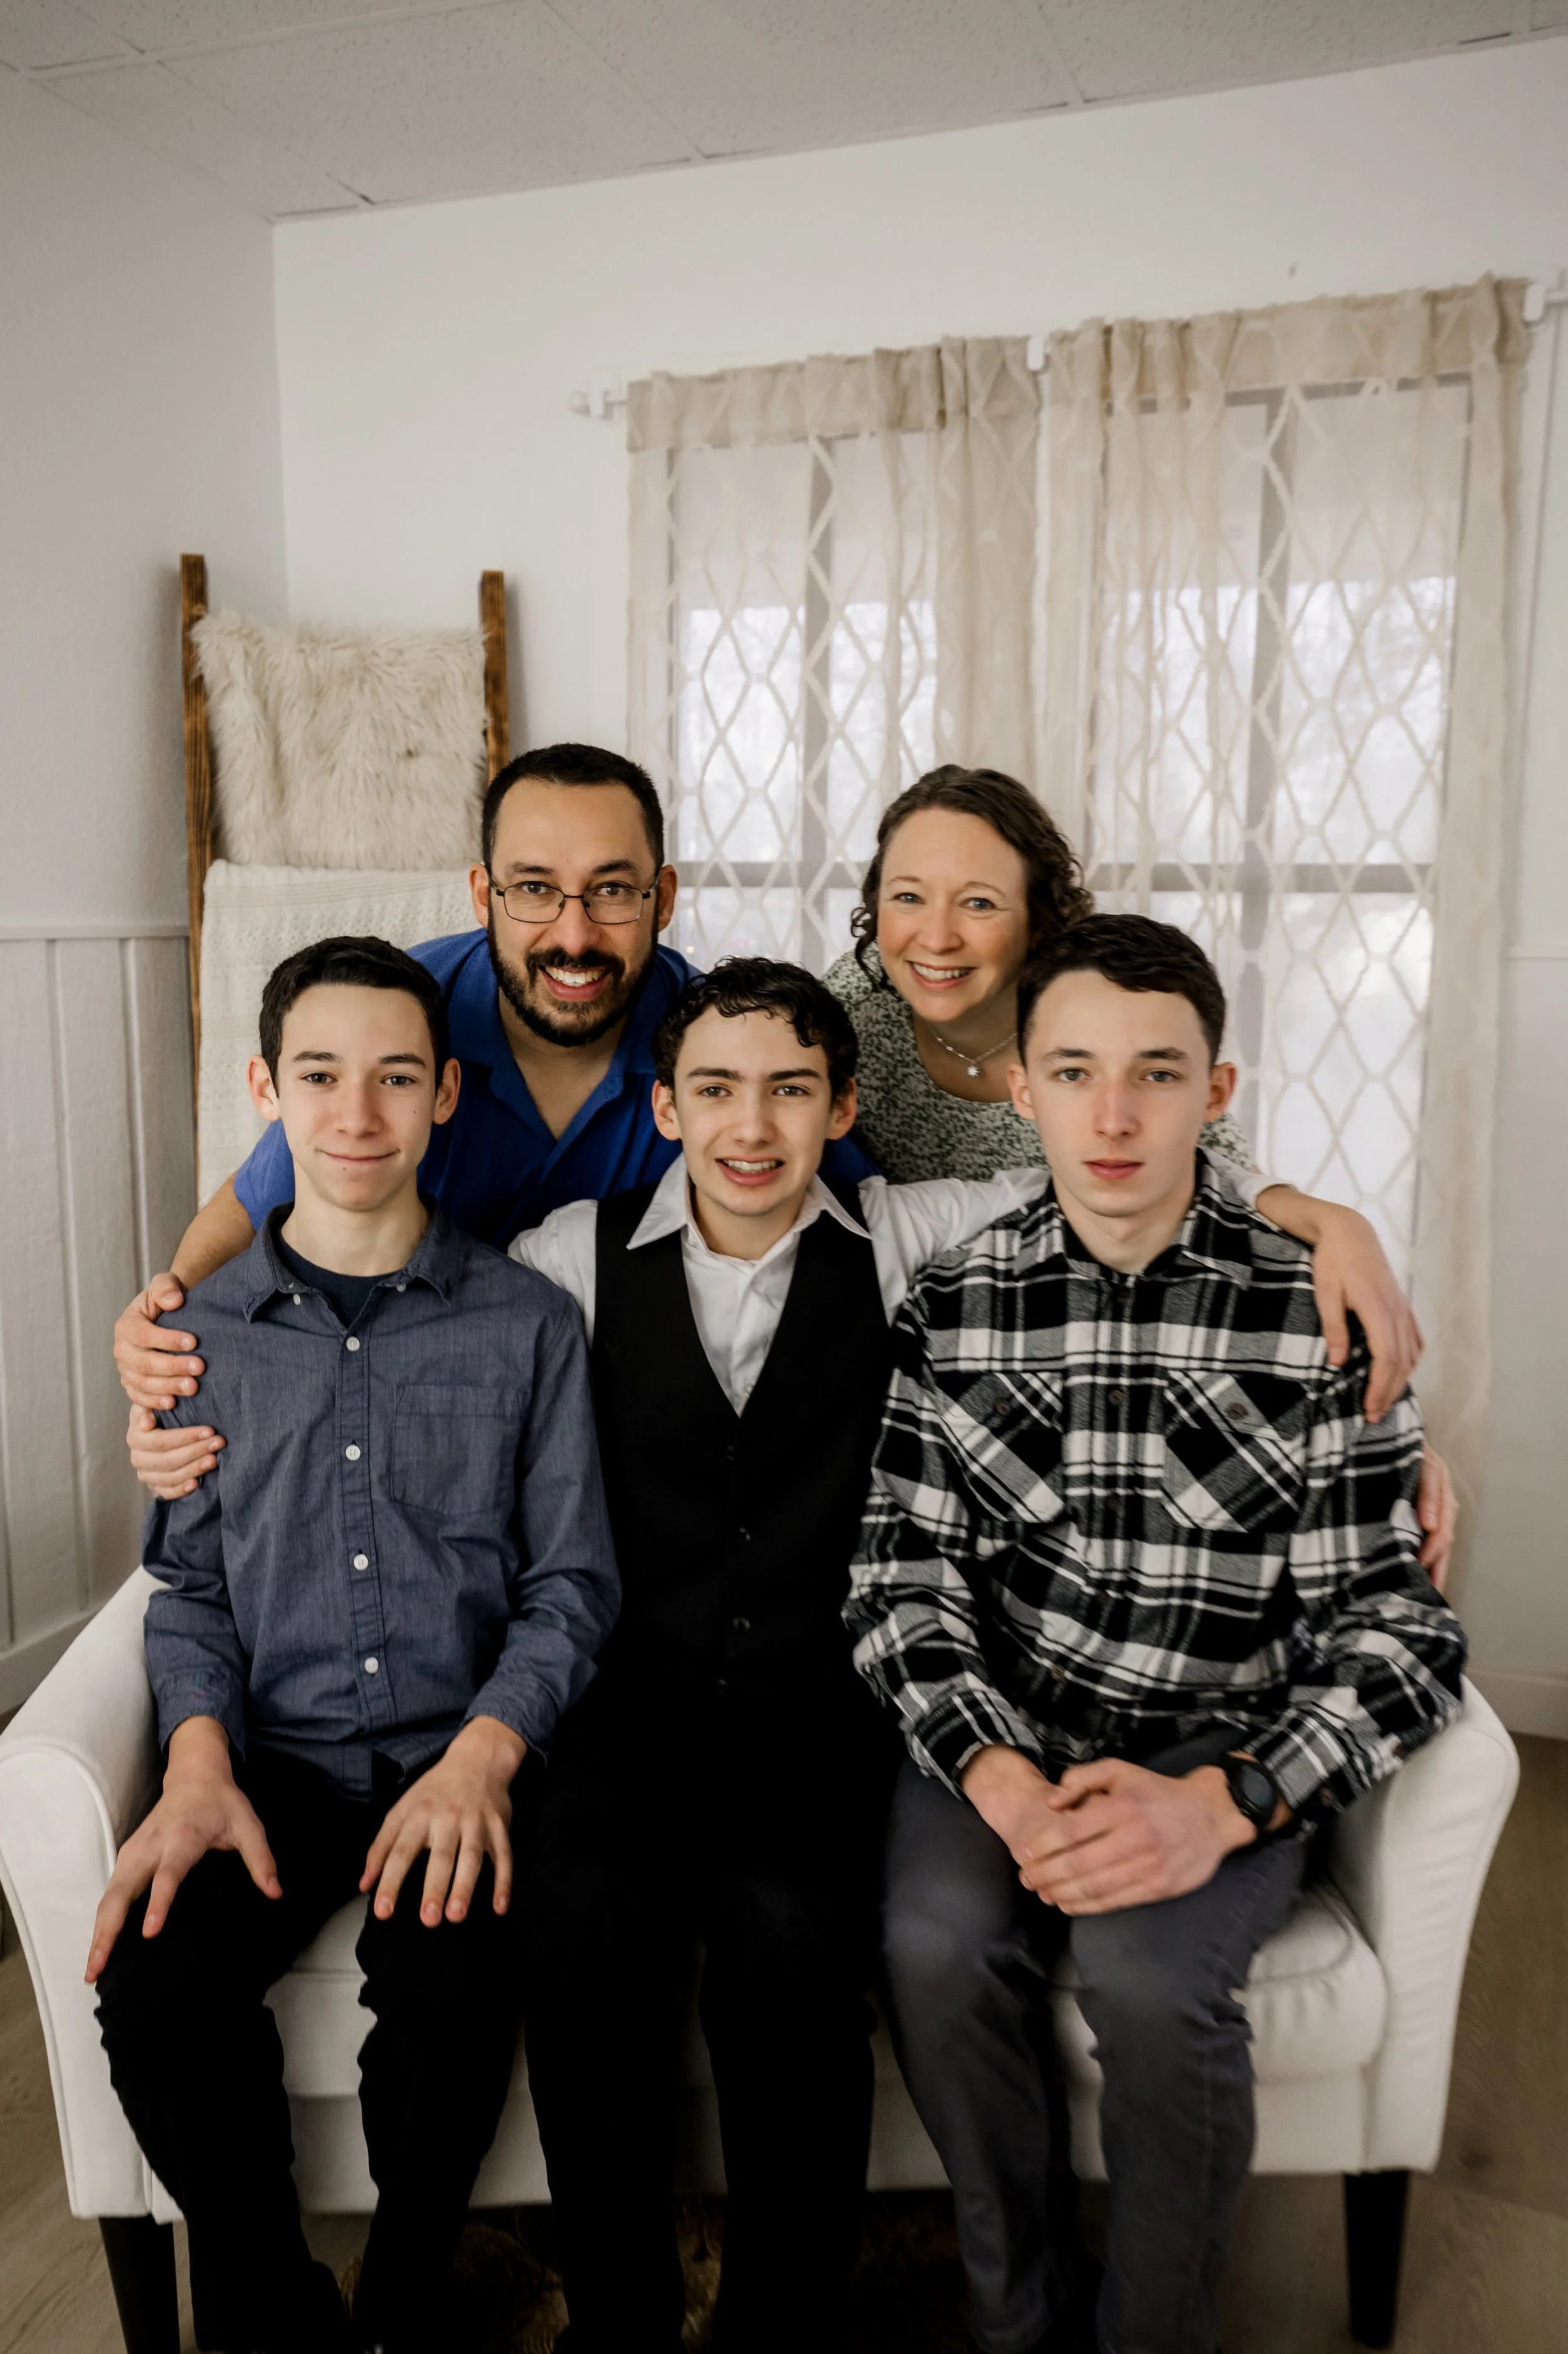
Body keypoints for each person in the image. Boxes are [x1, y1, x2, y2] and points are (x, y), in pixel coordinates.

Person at [845, 913, 1467, 2354]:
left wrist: (1232, 1802)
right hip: (1007, 1726)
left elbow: (1398, 1629)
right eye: (1072, 1071)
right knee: (933, 1942)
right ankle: (1024, 2319)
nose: (1113, 1115)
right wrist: (992, 1776)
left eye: (1156, 1074)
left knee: (1145, 1973)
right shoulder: (955, 1303)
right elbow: (899, 1580)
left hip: (1221, 1735)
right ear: (1022, 1090)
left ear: (1219, 1092)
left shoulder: (1317, 1312)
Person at [88, 936, 620, 2354]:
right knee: (152, 1983)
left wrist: (486, 1759)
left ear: (447, 1095)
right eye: (320, 1076)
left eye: (396, 1077)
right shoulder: (202, 1337)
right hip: (277, 1760)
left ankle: (402, 2300)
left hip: (462, 1745)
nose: (358, 1113)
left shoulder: (528, 1324)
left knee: (446, 1995)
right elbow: (190, 1587)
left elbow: (572, 1582)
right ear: (267, 1089)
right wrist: (196, 1766)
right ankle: (278, 2316)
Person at [508, 960, 1044, 2354]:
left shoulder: (901, 1235)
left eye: (790, 1089)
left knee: (788, 1932)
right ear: (664, 1104)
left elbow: (1125, 1179)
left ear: (840, 1101)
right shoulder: (570, 1252)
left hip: (822, 1710)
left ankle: (779, 2325)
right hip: (628, 1705)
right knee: (578, 1917)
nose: (752, 1125)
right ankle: (617, 2317)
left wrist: (1319, 1217)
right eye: (716, 1089)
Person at [116, 741, 871, 1502]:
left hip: (631, 1440)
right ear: (482, 895)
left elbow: (855, 1214)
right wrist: (166, 1349)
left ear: (662, 898)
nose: (573, 938)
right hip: (420, 1412)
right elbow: (250, 1209)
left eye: (610, 891)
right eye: (534, 889)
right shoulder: (397, 1023)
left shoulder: (722, 1054)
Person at [822, 762, 1458, 1581]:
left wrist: (1376, 1413)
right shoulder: (853, 1007)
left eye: (978, 902)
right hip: (917, 1339)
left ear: (1037, 920)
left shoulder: (1090, 1016)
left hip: (1068, 1340)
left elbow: (1214, 1176)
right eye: (907, 896)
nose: (935, 935)